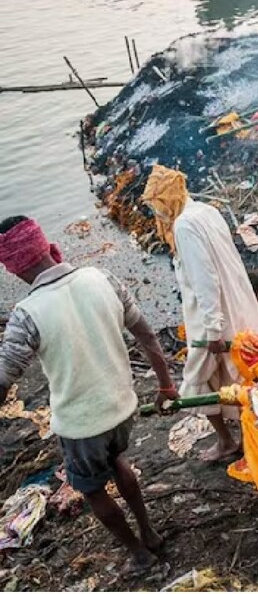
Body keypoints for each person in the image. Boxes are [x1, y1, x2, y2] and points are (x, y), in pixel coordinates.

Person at [0, 216, 177, 575]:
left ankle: (140, 555)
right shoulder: (101, 278)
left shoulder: (27, 314)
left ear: (14, 268)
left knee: (93, 489)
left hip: (81, 424)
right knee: (117, 462)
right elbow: (147, 336)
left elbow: (4, 377)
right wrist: (165, 385)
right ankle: (150, 533)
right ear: (44, 246)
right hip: (122, 407)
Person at [142, 166, 258, 462]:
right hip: (237, 306)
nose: (157, 214)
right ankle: (244, 441)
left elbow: (205, 278)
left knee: (199, 380)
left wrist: (212, 329)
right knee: (237, 377)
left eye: (157, 205)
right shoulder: (207, 211)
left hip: (213, 318)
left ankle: (233, 442)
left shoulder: (184, 225)